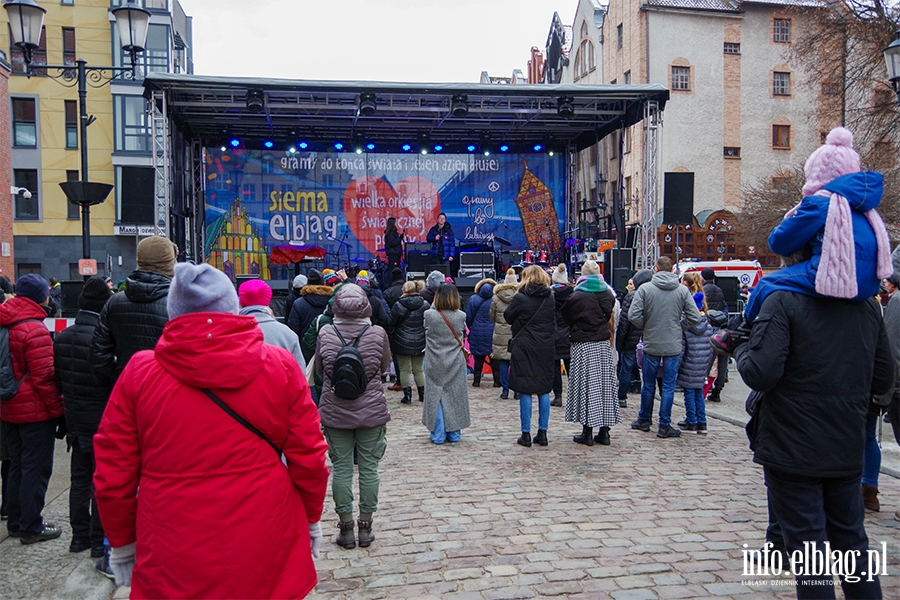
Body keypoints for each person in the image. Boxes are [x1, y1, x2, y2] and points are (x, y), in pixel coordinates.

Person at [93, 263, 329, 598]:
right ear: (232, 309)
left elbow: (113, 474)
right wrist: (310, 517)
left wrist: (122, 543)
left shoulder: (140, 373)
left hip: (171, 534)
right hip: (265, 526)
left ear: (174, 312)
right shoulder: (279, 366)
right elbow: (310, 456)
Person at [735, 278, 894, 598]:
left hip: (793, 447)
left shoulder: (783, 300)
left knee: (810, 553)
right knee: (853, 547)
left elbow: (760, 372)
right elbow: (884, 378)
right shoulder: (865, 305)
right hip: (845, 444)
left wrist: (738, 345)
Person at [716, 127, 893, 351]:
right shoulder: (863, 207)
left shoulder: (821, 203)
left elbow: (780, 242)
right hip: (868, 285)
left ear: (817, 174)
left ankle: (740, 333)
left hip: (838, 276)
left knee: (766, 284)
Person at [315, 283, 390, 550]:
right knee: (369, 469)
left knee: (342, 470)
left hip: (335, 411)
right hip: (371, 410)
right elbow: (383, 368)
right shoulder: (378, 333)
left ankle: (346, 528)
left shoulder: (326, 332)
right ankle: (366, 528)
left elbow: (322, 372)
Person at [0, 275, 64, 545]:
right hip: (34, 411)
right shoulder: (34, 329)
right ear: (42, 297)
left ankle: (15, 522)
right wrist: (58, 411)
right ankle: (31, 526)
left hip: (7, 406)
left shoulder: (5, 321)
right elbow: (44, 378)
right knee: (35, 469)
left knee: (16, 465)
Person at [53, 276, 112, 559]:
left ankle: (79, 537)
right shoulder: (102, 339)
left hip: (75, 419)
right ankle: (99, 538)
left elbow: (58, 381)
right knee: (102, 481)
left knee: (79, 480)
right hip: (101, 420)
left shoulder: (62, 337)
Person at [628, 256, 702, 438]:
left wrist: (647, 326)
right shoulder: (682, 291)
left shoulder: (645, 289)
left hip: (651, 341)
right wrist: (678, 327)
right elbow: (695, 317)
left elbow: (633, 315)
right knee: (668, 386)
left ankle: (644, 419)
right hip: (672, 343)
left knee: (648, 385)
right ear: (672, 270)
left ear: (656, 269)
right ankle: (664, 424)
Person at [90, 235, 176, 380]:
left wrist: (123, 377)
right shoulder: (179, 304)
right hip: (168, 392)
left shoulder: (114, 303)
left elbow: (98, 357)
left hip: (128, 390)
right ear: (170, 263)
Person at [561, 261, 620, 446]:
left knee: (586, 387)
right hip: (602, 343)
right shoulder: (608, 294)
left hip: (583, 344)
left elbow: (566, 317)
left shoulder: (577, 296)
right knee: (604, 386)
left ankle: (587, 431)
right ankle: (605, 432)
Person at [505, 265, 556, 447]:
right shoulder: (550, 297)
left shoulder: (520, 298)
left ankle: (525, 433)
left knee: (525, 388)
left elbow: (508, 317)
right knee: (543, 389)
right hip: (545, 347)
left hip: (524, 346)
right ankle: (543, 432)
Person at [423, 283, 470, 444]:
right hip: (455, 360)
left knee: (436, 395)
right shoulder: (461, 316)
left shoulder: (429, 315)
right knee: (454, 395)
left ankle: (438, 434)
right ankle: (454, 433)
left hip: (434, 360)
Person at [238, 279, 306, 369]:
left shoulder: (228, 335)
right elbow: (300, 374)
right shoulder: (288, 335)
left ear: (240, 301)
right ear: (268, 300)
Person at [675, 292, 715, 433]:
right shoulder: (708, 327)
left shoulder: (686, 327)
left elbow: (682, 350)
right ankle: (702, 422)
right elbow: (711, 349)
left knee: (689, 393)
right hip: (702, 365)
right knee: (699, 393)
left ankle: (691, 420)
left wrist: (677, 367)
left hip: (688, 364)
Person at [616, 269, 652, 407]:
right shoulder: (652, 295)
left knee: (626, 369)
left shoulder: (632, 297)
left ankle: (622, 397)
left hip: (631, 339)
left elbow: (625, 321)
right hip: (648, 337)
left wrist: (620, 341)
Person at [388, 281, 429, 404]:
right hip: (420, 340)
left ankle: (407, 396)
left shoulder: (398, 305)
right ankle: (422, 394)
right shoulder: (425, 304)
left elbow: (391, 322)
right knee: (419, 369)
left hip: (402, 340)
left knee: (404, 369)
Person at [288, 269, 334, 353]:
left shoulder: (298, 303)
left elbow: (293, 330)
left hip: (305, 351)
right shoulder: (333, 301)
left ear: (307, 284)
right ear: (324, 283)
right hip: (329, 350)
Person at [465, 278, 496, 387]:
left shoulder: (473, 299)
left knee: (478, 357)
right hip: (493, 331)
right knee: (494, 357)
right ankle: (497, 381)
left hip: (477, 331)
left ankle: (476, 381)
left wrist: (472, 328)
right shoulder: (496, 299)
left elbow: (468, 317)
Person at [490, 275, 517, 400]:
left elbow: (492, 315)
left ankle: (505, 390)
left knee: (503, 361)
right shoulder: (519, 296)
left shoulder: (496, 297)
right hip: (515, 331)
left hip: (501, 331)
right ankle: (517, 391)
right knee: (516, 362)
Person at [550, 264, 572, 406]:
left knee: (555, 367)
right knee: (572, 367)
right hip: (570, 334)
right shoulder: (574, 294)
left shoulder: (549, 296)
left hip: (554, 334)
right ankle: (574, 395)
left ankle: (558, 395)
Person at [382, 267, 406, 391]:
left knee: (395, 354)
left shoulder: (388, 292)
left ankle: (397, 378)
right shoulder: (409, 290)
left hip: (394, 328)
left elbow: (385, 312)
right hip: (409, 327)